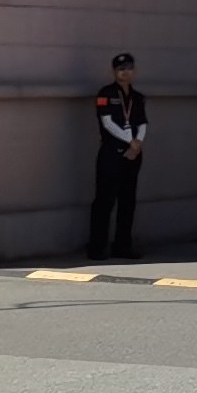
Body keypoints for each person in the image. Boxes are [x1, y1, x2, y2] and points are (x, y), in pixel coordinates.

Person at [87, 53, 148, 259]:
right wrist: (129, 141)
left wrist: (138, 143)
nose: (125, 72)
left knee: (127, 201)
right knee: (104, 201)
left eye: (129, 68)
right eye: (121, 69)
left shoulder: (137, 97)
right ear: (114, 72)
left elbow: (142, 122)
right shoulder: (106, 93)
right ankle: (97, 247)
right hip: (112, 153)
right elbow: (108, 123)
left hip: (132, 155)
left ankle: (123, 246)